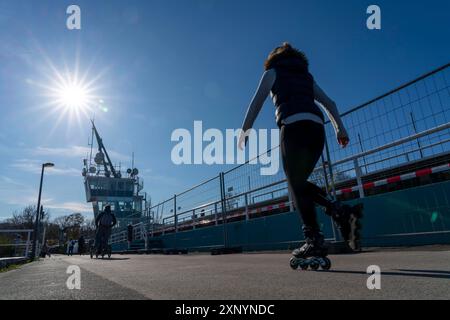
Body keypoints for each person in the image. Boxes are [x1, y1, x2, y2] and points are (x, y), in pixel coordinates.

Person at [239, 43, 363, 260]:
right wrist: (340, 129)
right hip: (317, 130)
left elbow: (257, 101)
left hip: (294, 127)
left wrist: (245, 130)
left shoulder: (272, 73)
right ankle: (337, 210)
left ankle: (314, 239)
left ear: (273, 59)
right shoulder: (307, 77)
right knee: (299, 182)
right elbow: (330, 103)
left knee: (295, 183)